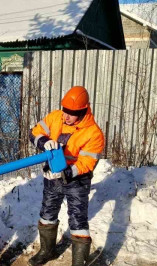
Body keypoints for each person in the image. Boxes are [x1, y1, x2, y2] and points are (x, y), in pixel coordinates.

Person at [28, 86, 105, 266]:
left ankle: (79, 262)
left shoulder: (93, 133)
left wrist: (67, 172)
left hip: (77, 180)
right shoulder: (55, 117)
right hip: (52, 174)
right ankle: (47, 251)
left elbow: (86, 163)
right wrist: (45, 142)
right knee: (47, 212)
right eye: (65, 110)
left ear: (84, 110)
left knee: (78, 218)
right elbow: (34, 132)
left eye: (72, 113)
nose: (66, 116)